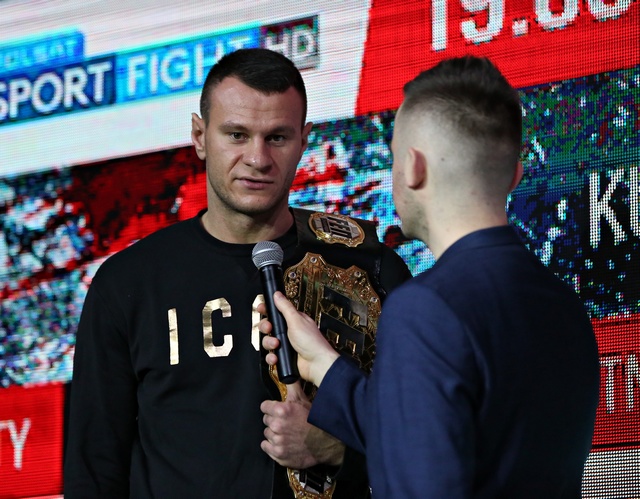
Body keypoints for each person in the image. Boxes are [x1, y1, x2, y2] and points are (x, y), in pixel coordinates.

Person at [63, 48, 411, 498]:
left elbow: (433, 440)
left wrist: (337, 451)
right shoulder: (128, 283)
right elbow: (94, 471)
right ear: (199, 136)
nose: (257, 158)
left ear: (304, 141)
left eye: (277, 137)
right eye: (237, 135)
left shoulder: (369, 268)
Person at [260, 56, 600, 498]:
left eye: (393, 159)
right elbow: (462, 433)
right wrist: (327, 368)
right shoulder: (566, 305)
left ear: (414, 168)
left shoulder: (425, 308)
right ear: (515, 174)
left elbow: (422, 477)